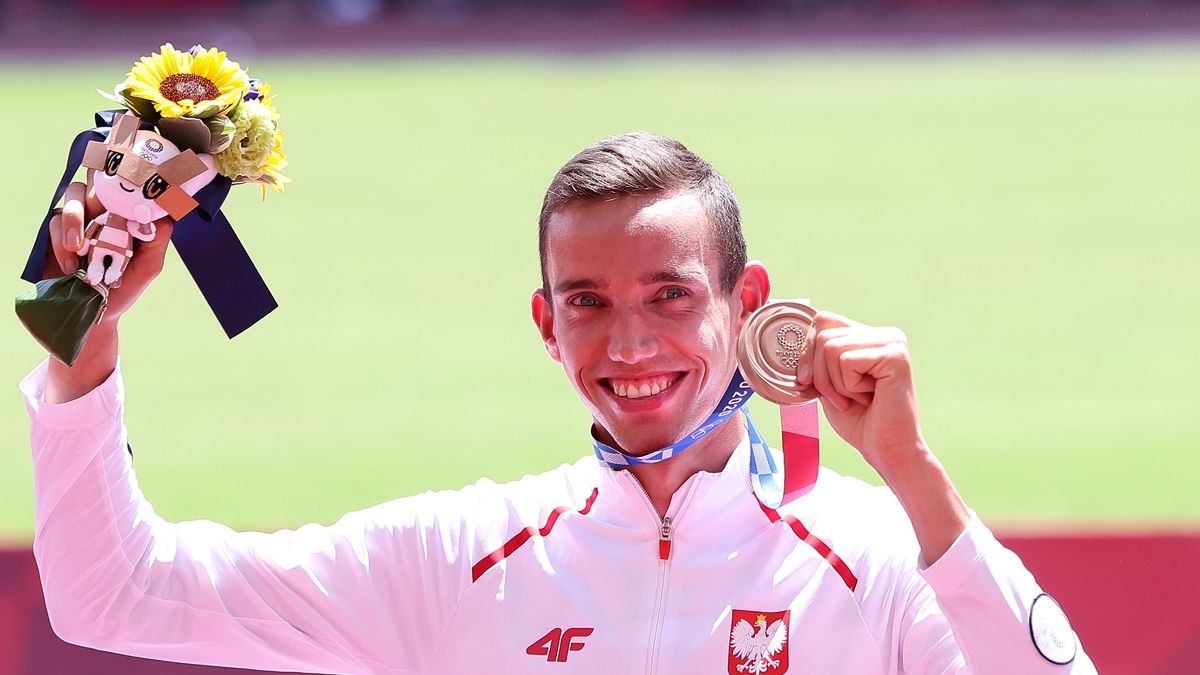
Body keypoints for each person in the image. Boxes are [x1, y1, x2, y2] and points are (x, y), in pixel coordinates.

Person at [22, 131, 1095, 674]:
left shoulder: (876, 557)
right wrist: (89, 343)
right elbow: (113, 594)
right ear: (547, 324)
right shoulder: (457, 557)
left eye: (670, 295)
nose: (629, 344)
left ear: (746, 301)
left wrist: (912, 475)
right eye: (588, 303)